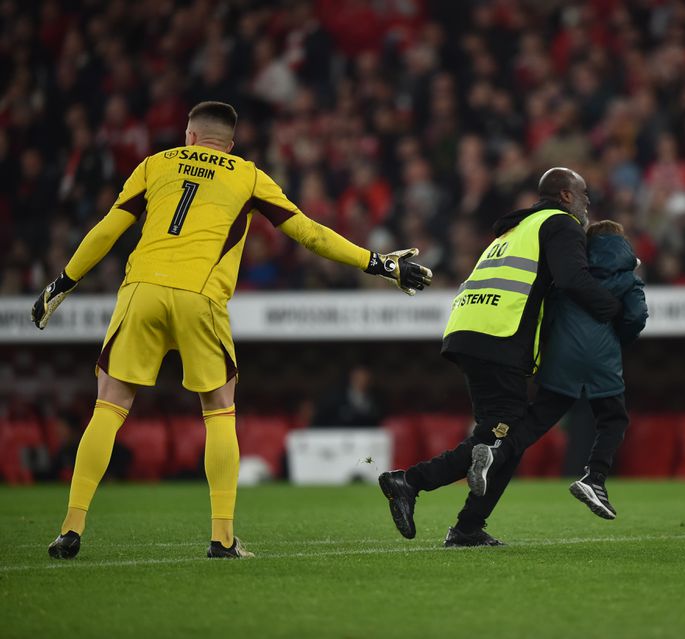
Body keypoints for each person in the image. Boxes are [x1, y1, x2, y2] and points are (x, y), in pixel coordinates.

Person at [33, 101, 433, 560]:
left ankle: (71, 527)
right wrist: (378, 264)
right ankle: (222, 538)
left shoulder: (154, 164)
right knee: (219, 412)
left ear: (190, 136)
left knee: (109, 406)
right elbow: (309, 233)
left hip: (140, 290)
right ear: (231, 143)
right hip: (200, 296)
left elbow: (108, 229)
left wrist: (62, 283)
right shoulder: (248, 175)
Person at [378, 167, 622, 546]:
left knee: (507, 438)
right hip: (499, 334)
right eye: (584, 192)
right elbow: (573, 280)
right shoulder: (560, 223)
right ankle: (408, 482)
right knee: (499, 439)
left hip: (470, 326)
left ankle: (468, 527)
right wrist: (614, 309)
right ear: (566, 196)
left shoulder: (516, 228)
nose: (589, 200)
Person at [512, 219, 648, 519]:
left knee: (538, 419)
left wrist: (551, 342)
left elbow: (546, 312)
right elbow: (637, 316)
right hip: (602, 358)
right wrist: (616, 338)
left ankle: (496, 454)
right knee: (613, 419)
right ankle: (595, 478)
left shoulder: (572, 270)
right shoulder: (627, 276)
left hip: (563, 356)